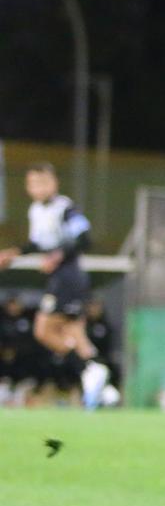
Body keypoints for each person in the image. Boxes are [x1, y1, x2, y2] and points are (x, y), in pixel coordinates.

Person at [0, 162, 112, 408]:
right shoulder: (35, 211)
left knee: (43, 329)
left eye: (42, 182)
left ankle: (87, 369)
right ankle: (105, 389)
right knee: (75, 333)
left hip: (68, 276)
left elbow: (84, 239)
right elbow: (40, 243)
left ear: (54, 183)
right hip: (59, 276)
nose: (37, 188)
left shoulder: (66, 209)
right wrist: (15, 252)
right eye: (32, 183)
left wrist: (58, 256)